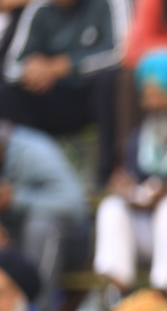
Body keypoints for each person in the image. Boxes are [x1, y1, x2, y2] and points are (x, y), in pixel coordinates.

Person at [94, 50, 167, 295]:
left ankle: (166, 292)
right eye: (147, 96)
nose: (152, 103)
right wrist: (126, 188)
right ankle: (118, 291)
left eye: (159, 94)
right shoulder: (141, 135)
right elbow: (134, 178)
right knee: (111, 207)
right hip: (147, 223)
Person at [0, 0, 127, 184]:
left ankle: (107, 175)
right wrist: (30, 71)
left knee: (110, 80)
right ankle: (33, 175)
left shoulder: (110, 3)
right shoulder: (38, 8)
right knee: (8, 94)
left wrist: (68, 66)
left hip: (95, 94)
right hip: (55, 96)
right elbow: (12, 68)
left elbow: (120, 53)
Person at [0, 120, 87, 311]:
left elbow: (74, 204)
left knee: (40, 227)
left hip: (69, 240)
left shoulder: (34, 151)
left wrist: (16, 199)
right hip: (15, 244)